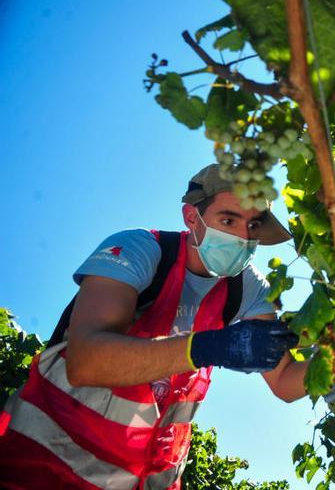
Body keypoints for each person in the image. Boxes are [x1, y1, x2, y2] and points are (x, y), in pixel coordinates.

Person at [0, 164, 306, 490]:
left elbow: (285, 381)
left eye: (253, 226)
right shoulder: (141, 250)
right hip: (47, 468)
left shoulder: (247, 287)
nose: (242, 237)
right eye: (228, 220)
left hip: (145, 479)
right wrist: (209, 346)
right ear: (191, 217)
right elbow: (85, 362)